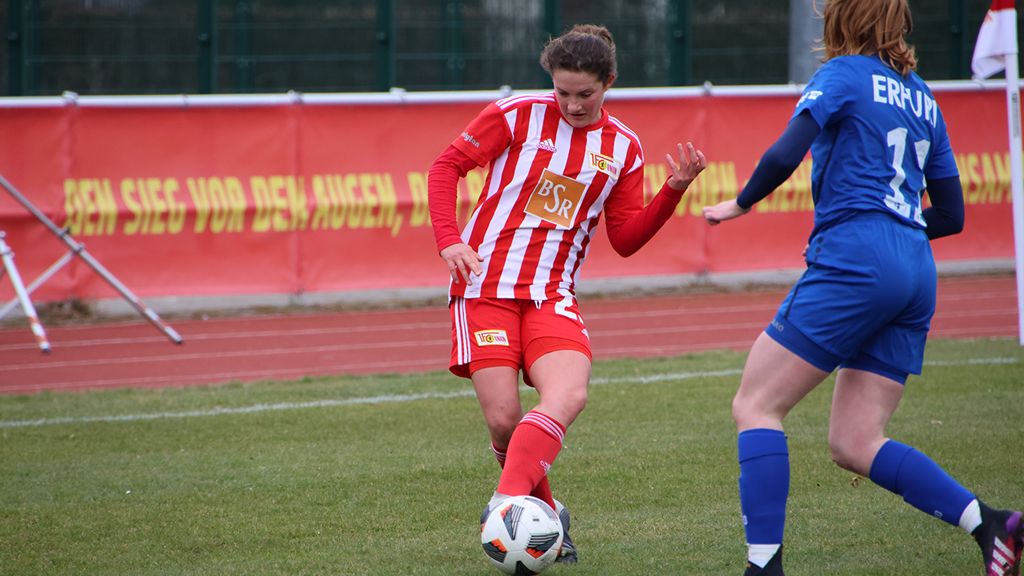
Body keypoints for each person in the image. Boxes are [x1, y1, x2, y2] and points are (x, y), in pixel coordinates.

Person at [702, 1, 1022, 574]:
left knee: (756, 404)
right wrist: (895, 229)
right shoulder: (924, 96)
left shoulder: (844, 73)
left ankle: (763, 566)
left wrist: (740, 202)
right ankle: (990, 524)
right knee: (856, 440)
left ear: (843, 17)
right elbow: (951, 213)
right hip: (916, 267)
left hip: (859, 256)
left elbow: (786, 150)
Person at [428, 23, 706, 564]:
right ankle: (548, 517)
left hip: (552, 294)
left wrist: (672, 191)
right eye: (562, 92)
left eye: (586, 94)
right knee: (505, 419)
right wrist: (450, 240)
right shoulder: (515, 114)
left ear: (609, 83)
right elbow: (446, 167)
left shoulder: (622, 147)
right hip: (484, 287)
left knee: (568, 397)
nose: (573, 104)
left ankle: (508, 506)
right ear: (550, 81)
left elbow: (624, 239)